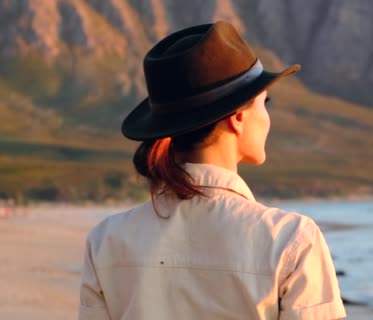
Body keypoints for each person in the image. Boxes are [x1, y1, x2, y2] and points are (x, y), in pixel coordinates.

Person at [78, 21, 346, 320]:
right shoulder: (291, 239)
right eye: (264, 103)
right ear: (238, 118)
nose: (267, 117)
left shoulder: (107, 240)